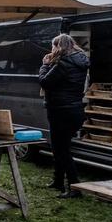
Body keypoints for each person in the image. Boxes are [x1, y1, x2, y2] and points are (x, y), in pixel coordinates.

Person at [39, 34, 89, 199]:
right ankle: (58, 180)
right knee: (59, 146)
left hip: (60, 110)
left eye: (53, 46)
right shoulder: (80, 61)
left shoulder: (63, 64)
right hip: (74, 110)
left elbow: (44, 81)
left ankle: (75, 187)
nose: (52, 49)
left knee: (62, 150)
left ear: (59, 46)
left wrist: (45, 65)